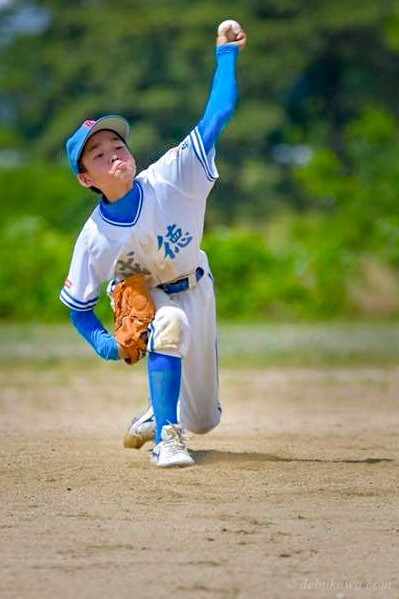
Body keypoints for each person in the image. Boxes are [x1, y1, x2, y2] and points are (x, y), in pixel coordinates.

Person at [60, 21, 247, 468]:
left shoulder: (172, 177)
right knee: (170, 322)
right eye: (98, 154)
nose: (113, 154)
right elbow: (77, 306)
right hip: (148, 293)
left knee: (205, 419)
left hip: (198, 284)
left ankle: (157, 410)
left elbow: (216, 116)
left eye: (117, 144)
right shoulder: (94, 239)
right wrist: (105, 344)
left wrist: (226, 55)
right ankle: (167, 439)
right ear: (87, 178)